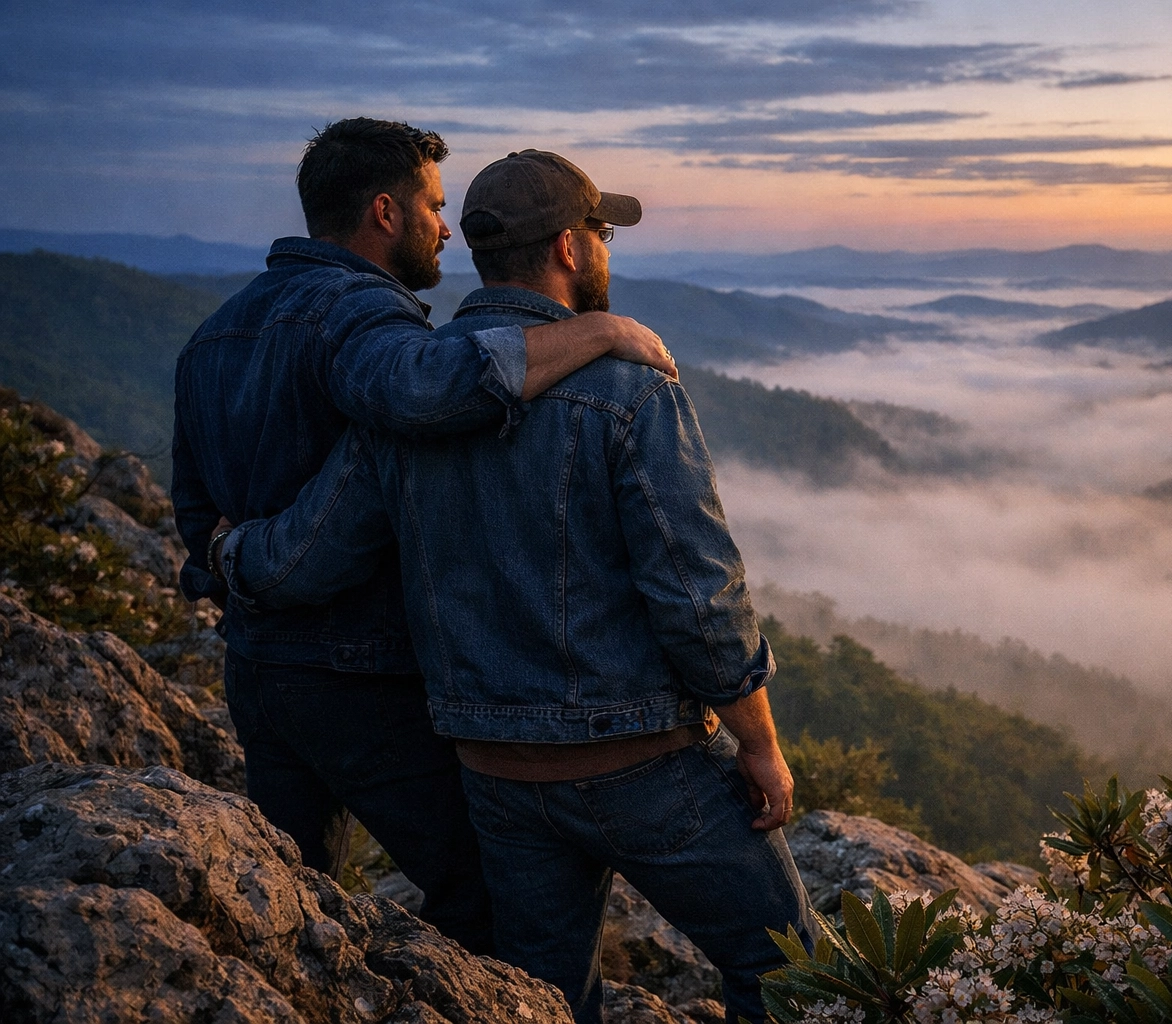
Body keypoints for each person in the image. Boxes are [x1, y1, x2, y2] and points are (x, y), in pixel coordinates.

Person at [215, 149, 812, 1024]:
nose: (608, 248)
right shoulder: (628, 387)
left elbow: (311, 554)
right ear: (571, 248)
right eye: (604, 232)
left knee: (541, 1002)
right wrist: (759, 743)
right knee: (791, 971)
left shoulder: (411, 391)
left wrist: (229, 554)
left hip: (498, 780)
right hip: (640, 760)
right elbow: (699, 597)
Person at [172, 120, 676, 956]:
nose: (447, 227)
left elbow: (199, 517)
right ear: (384, 212)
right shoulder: (361, 316)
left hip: (260, 672)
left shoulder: (215, 334)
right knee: (492, 897)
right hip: (366, 679)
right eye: (435, 207)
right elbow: (419, 390)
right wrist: (602, 332)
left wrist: (231, 566)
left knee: (286, 913)